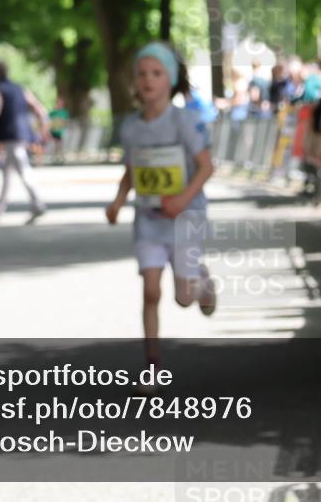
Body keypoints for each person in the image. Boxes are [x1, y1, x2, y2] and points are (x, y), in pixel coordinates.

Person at [105, 42, 216, 388]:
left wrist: (182, 199)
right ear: (134, 83)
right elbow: (132, 169)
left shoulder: (185, 121)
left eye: (156, 73)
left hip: (185, 218)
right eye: (141, 74)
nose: (148, 80)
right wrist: (119, 199)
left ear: (170, 80)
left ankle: (202, 281)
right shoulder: (130, 127)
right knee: (150, 290)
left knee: (184, 298)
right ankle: (152, 367)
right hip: (149, 220)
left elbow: (206, 167)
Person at [0, 61, 48, 223]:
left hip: (10, 136)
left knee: (22, 169)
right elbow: (38, 108)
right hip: (23, 134)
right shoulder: (20, 88)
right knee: (8, 170)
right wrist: (42, 126)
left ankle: (37, 203)